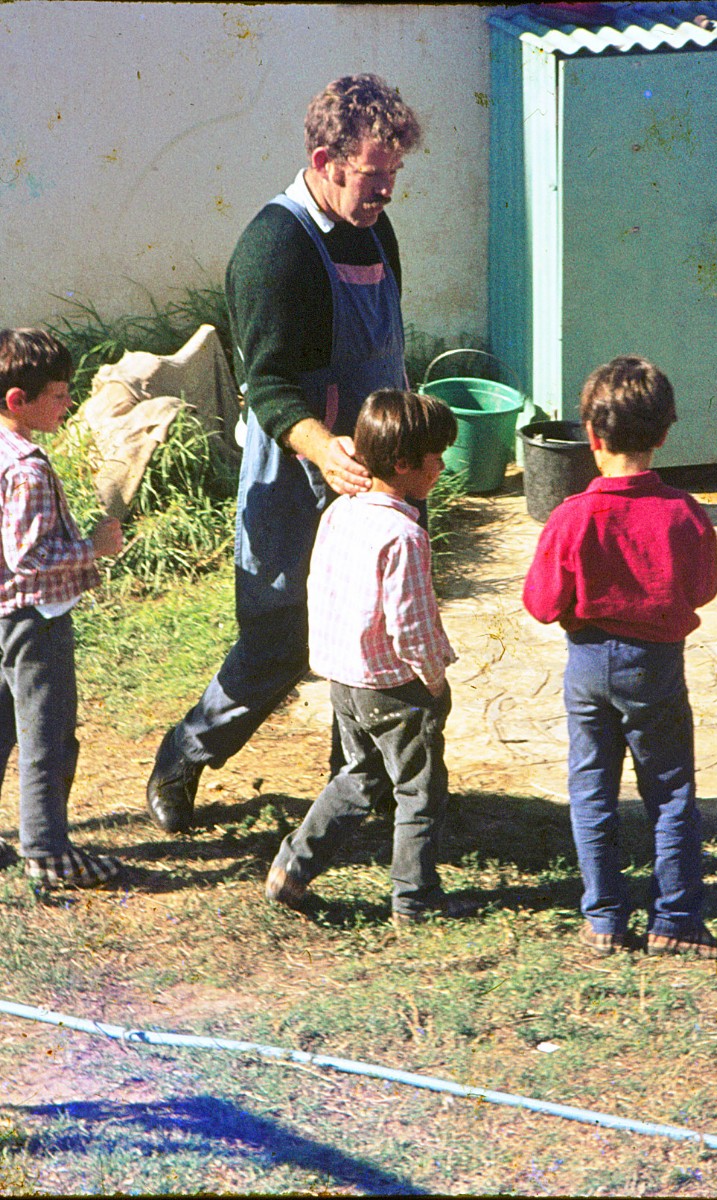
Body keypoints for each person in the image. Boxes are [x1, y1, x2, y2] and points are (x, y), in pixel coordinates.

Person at [146, 75, 423, 834]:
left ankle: (353, 791)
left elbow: (385, 345)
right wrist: (322, 448)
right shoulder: (273, 248)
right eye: (373, 176)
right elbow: (265, 384)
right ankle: (184, 756)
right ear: (325, 157)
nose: (385, 193)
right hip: (295, 469)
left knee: (370, 638)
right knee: (277, 638)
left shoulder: (373, 227)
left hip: (375, 470)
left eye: (394, 177)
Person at [522, 355, 717, 961]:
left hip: (588, 667)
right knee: (670, 793)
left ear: (590, 436)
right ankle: (675, 921)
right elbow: (703, 589)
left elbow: (541, 603)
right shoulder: (685, 514)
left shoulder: (569, 518)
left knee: (592, 791)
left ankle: (604, 920)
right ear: (666, 433)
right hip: (658, 667)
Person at [265, 388, 473, 923]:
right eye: (436, 456)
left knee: (358, 777)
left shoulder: (340, 512)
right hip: (394, 687)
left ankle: (291, 868)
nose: (442, 465)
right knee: (419, 792)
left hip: (345, 679)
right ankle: (415, 900)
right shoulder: (405, 534)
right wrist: (433, 681)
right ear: (403, 464)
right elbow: (413, 626)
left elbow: (323, 588)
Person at [0, 329, 123, 889]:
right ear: (16, 401)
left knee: (3, 727)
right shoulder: (24, 466)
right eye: (57, 394)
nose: (68, 403)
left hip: (3, 616)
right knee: (47, 736)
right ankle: (47, 854)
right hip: (34, 619)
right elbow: (28, 557)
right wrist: (93, 548)